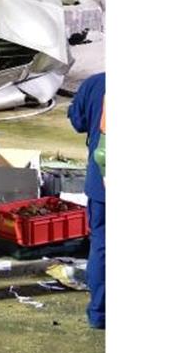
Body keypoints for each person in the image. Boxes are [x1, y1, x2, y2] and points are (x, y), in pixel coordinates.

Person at [68, 72, 105, 329]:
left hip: (102, 181)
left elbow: (78, 121)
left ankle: (100, 313)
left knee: (102, 246)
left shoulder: (95, 83)